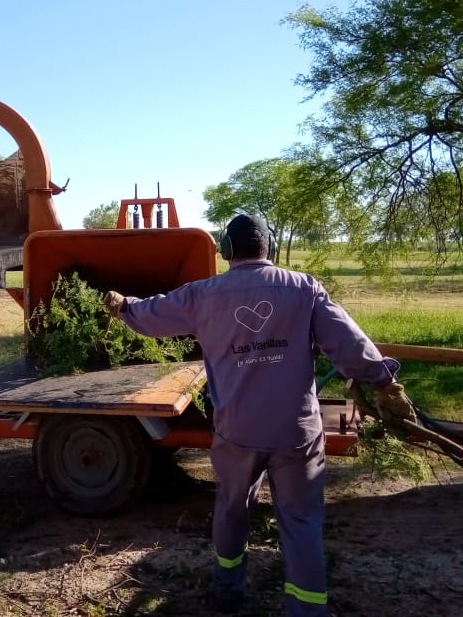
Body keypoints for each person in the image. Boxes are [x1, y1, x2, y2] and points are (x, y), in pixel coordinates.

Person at [102, 213, 415, 616]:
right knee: (300, 522)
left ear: (226, 250)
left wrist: (123, 305)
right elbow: (350, 344)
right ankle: (306, 610)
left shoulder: (202, 295)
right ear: (271, 248)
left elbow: (151, 314)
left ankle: (228, 590)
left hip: (237, 432)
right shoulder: (304, 289)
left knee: (232, 509)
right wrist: (384, 382)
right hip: (296, 432)